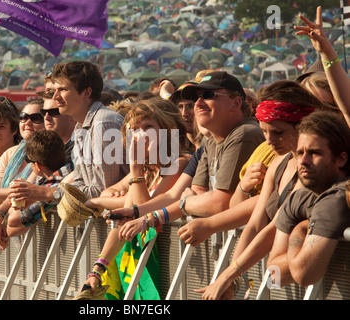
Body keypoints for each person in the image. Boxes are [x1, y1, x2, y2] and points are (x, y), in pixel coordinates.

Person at [195, 80, 327, 300]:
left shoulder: (314, 169)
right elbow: (256, 224)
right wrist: (230, 281)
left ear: (303, 124)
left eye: (278, 132)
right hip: (278, 280)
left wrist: (229, 275)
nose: (269, 141)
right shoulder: (278, 163)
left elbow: (275, 227)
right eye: (264, 131)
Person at [110, 71, 264, 239]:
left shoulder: (243, 134)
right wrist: (149, 216)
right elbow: (196, 191)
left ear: (235, 103)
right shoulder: (212, 140)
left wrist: (186, 202)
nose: (198, 102)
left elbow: (219, 202)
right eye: (196, 97)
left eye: (208, 95)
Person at [80, 97, 191, 298]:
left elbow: (142, 208)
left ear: (168, 129)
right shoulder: (144, 172)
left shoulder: (181, 163)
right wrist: (98, 269)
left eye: (147, 127)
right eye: (134, 130)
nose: (139, 135)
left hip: (174, 275)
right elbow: (123, 219)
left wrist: (135, 170)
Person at [267, 111, 350, 287]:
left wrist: (301, 229)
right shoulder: (299, 198)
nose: (303, 161)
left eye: (314, 153)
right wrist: (302, 231)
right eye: (299, 153)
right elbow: (273, 276)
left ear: (341, 159)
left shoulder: (338, 198)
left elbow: (304, 274)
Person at [49, 61, 128, 198]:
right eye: (54, 90)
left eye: (62, 89)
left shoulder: (102, 123)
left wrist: (46, 193)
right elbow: (81, 182)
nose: (55, 96)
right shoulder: (82, 126)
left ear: (86, 93)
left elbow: (102, 190)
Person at [3, 130, 68, 238]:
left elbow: (11, 225)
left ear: (38, 166)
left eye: (28, 160)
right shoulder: (62, 173)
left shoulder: (55, 184)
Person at [294, 6, 350, 126]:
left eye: (326, 108)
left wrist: (327, 52)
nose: (317, 115)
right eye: (309, 107)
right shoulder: (299, 142)